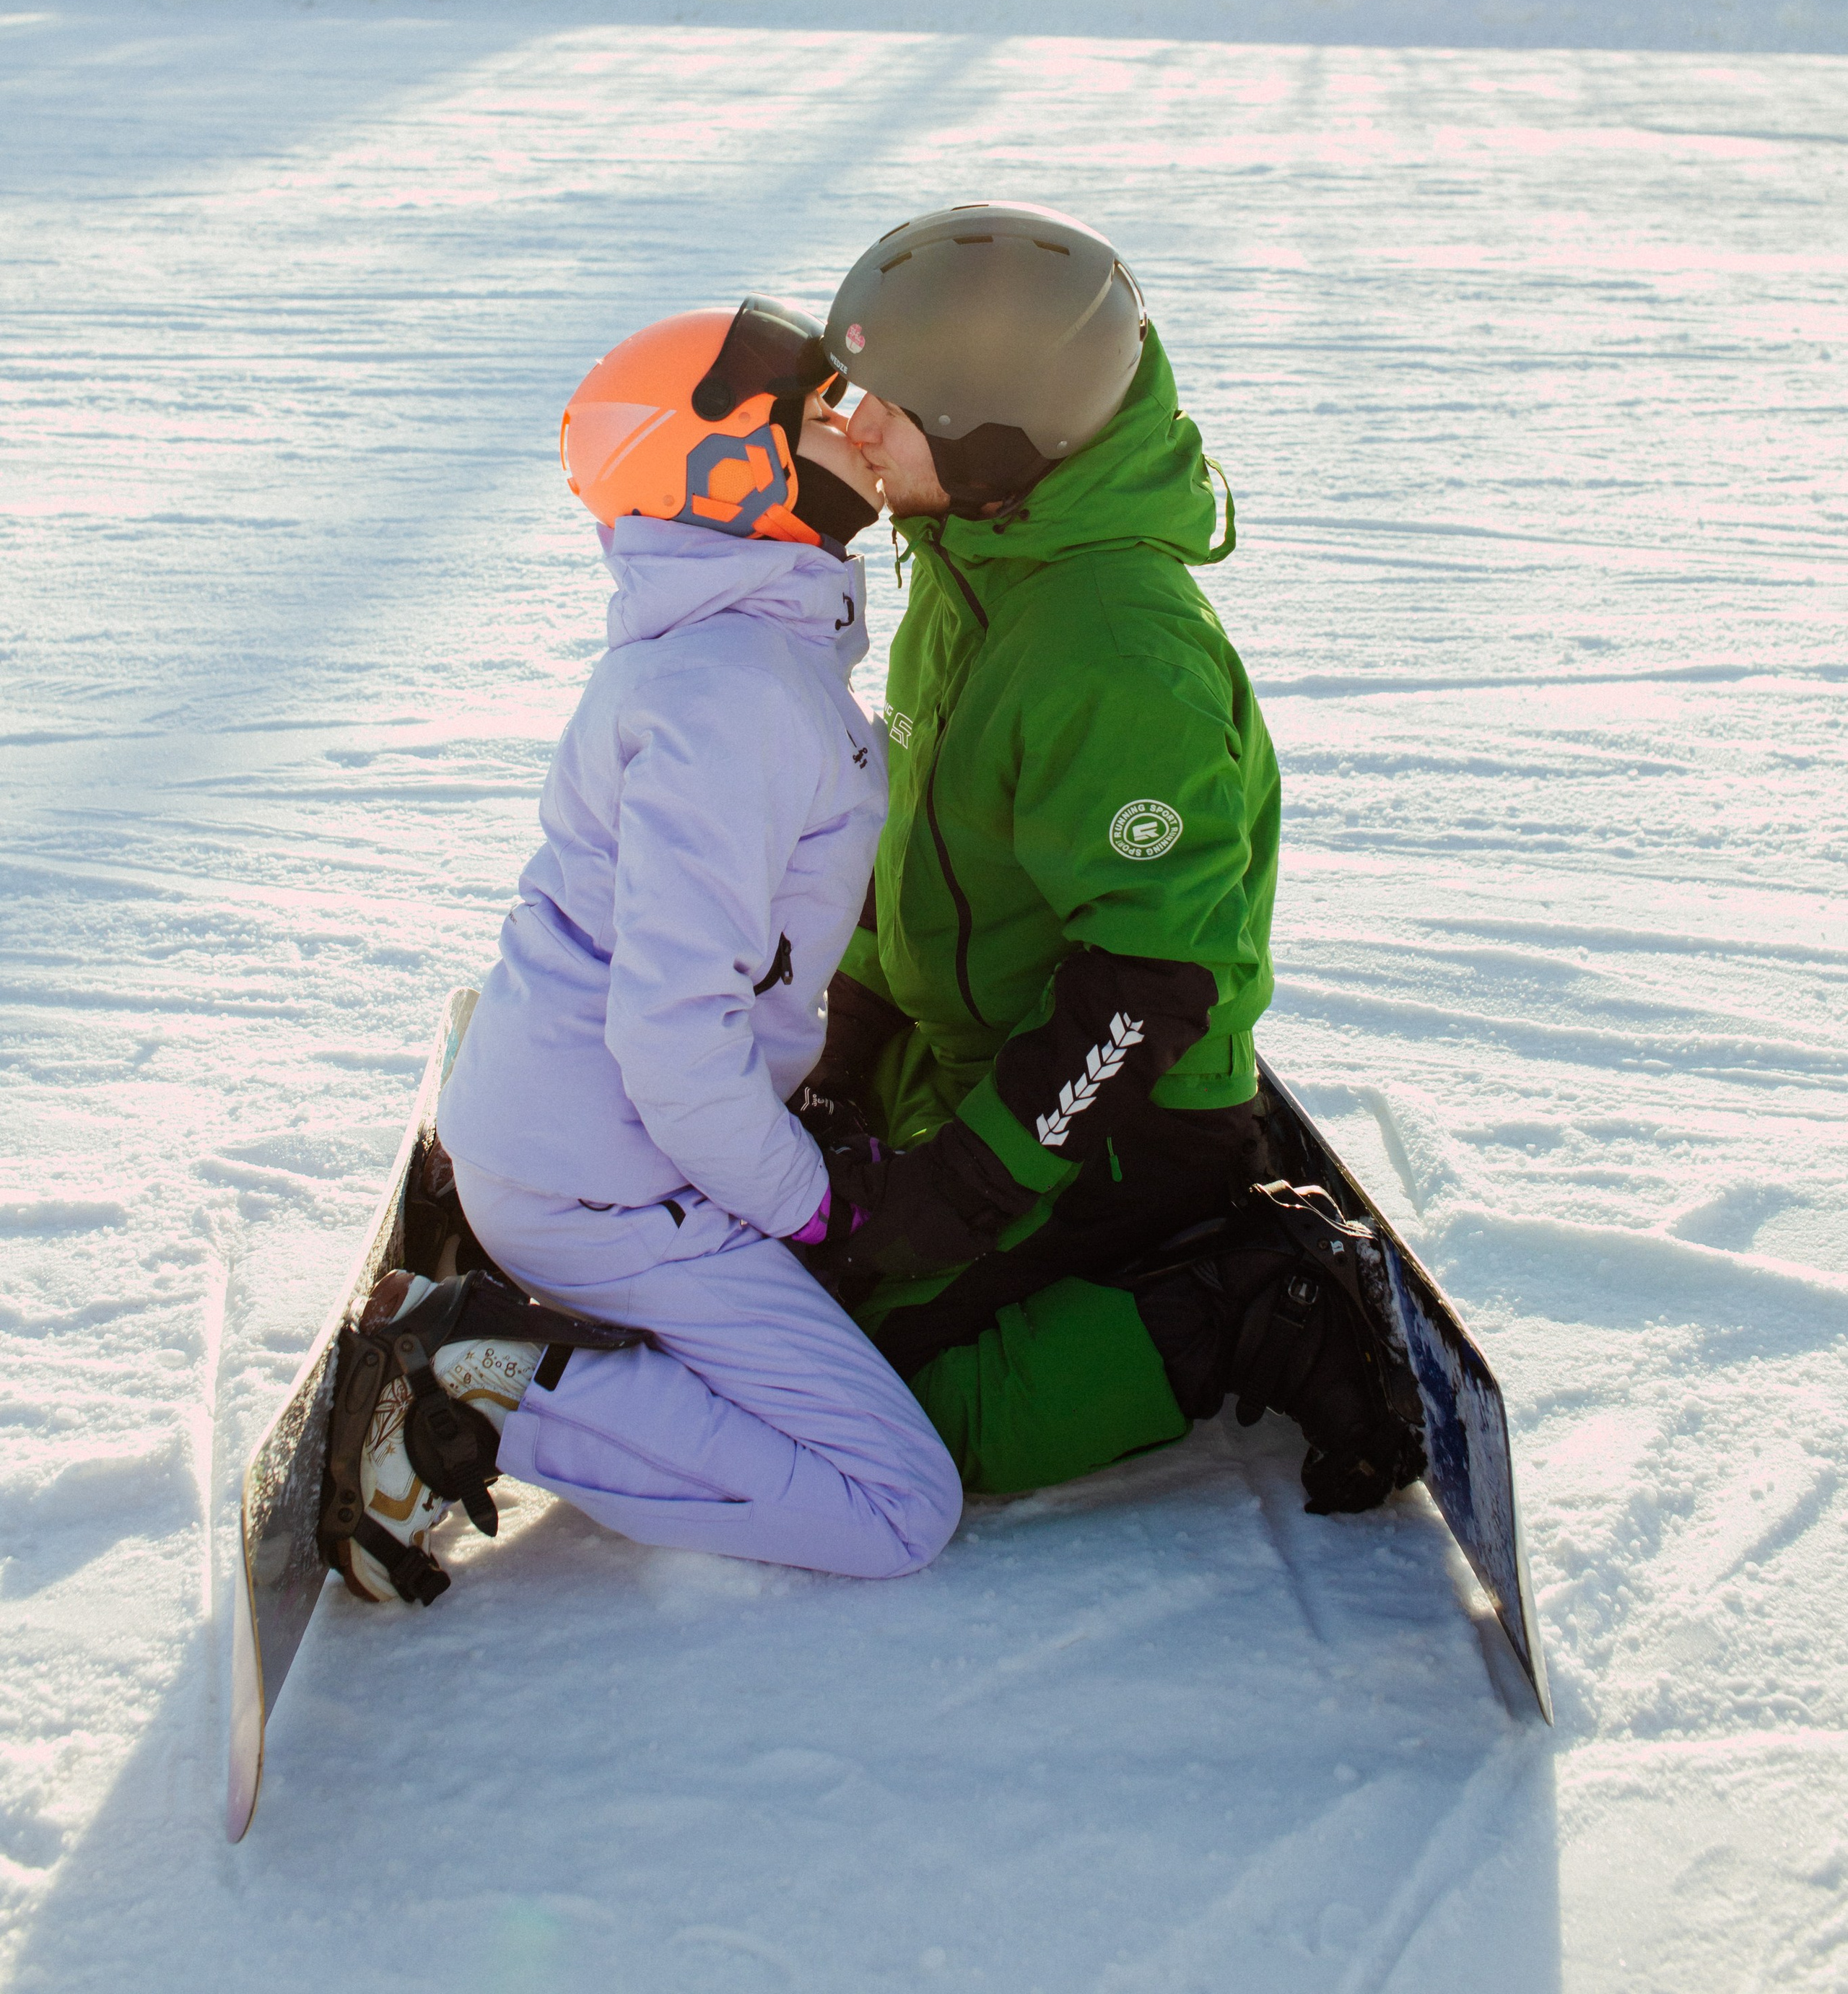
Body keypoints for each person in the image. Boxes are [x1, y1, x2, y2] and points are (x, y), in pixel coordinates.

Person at [792, 204, 1419, 1516]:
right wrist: (844, 1047)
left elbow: (1149, 979)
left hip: (1118, 1116)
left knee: (863, 1413)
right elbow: (910, 848)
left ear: (993, 437)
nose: (848, 425)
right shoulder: (973, 564)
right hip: (982, 1050)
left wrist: (966, 1186)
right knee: (764, 1285)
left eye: (884, 406)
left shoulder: (1110, 650)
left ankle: (1254, 1301)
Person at [334, 297, 962, 1606]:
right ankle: (478, 1385)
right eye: (811, 412)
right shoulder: (735, 694)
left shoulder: (741, 650)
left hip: (580, 1143)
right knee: (899, 1503)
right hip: (609, 1184)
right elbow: (674, 1037)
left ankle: (512, 1302)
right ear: (730, 468)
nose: (851, 423)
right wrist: (809, 1199)